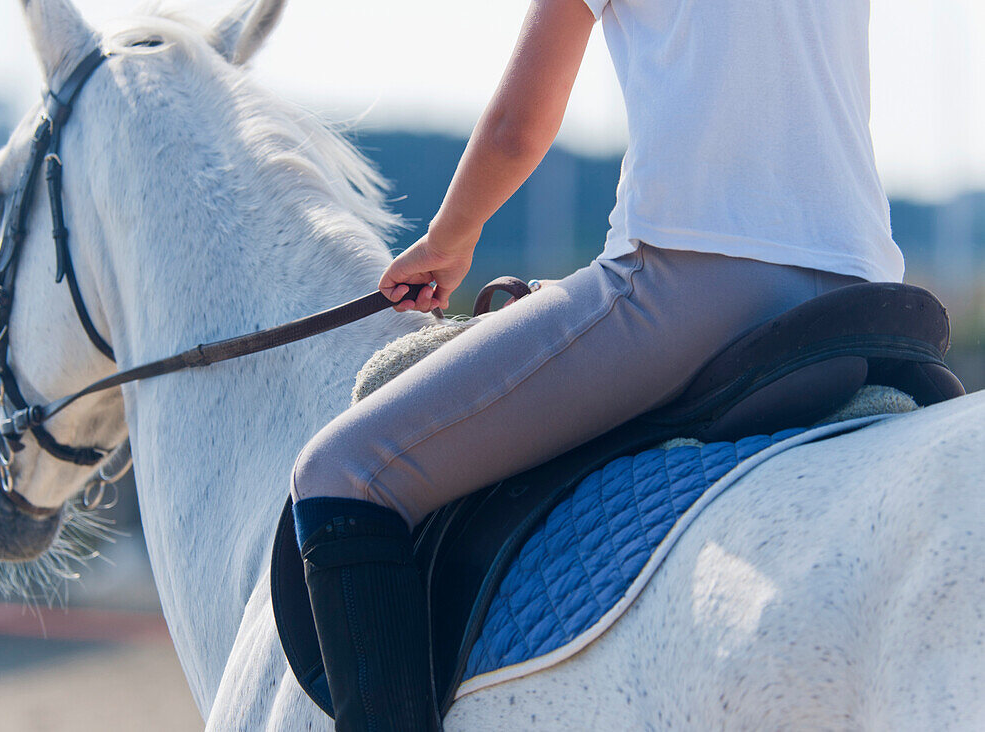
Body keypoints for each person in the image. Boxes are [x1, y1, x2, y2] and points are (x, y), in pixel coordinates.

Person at [289, 0, 902, 728]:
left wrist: (449, 240)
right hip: (862, 302)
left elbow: (518, 131)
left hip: (689, 291)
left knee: (341, 473)